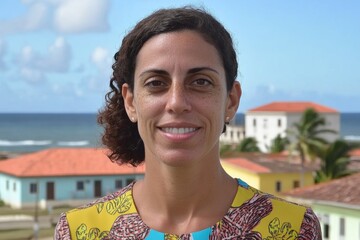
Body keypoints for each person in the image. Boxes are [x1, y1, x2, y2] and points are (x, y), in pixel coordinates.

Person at [55, 7, 322, 239]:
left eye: (201, 82)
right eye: (156, 83)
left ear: (231, 100)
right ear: (131, 102)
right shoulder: (81, 231)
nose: (176, 102)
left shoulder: (294, 229)